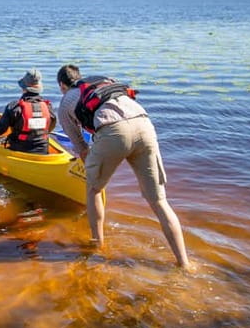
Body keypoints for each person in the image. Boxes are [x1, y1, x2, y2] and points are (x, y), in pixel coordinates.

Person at [55, 64, 191, 268]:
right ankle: (185, 264)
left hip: (113, 131)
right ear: (80, 78)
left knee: (93, 190)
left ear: (61, 85)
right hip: (145, 125)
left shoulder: (66, 101)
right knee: (159, 201)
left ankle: (98, 245)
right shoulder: (101, 80)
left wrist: (94, 172)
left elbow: (82, 148)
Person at [0, 69, 56, 154]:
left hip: (20, 151)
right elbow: (50, 128)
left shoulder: (14, 107)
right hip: (43, 150)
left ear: (24, 88)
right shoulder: (48, 107)